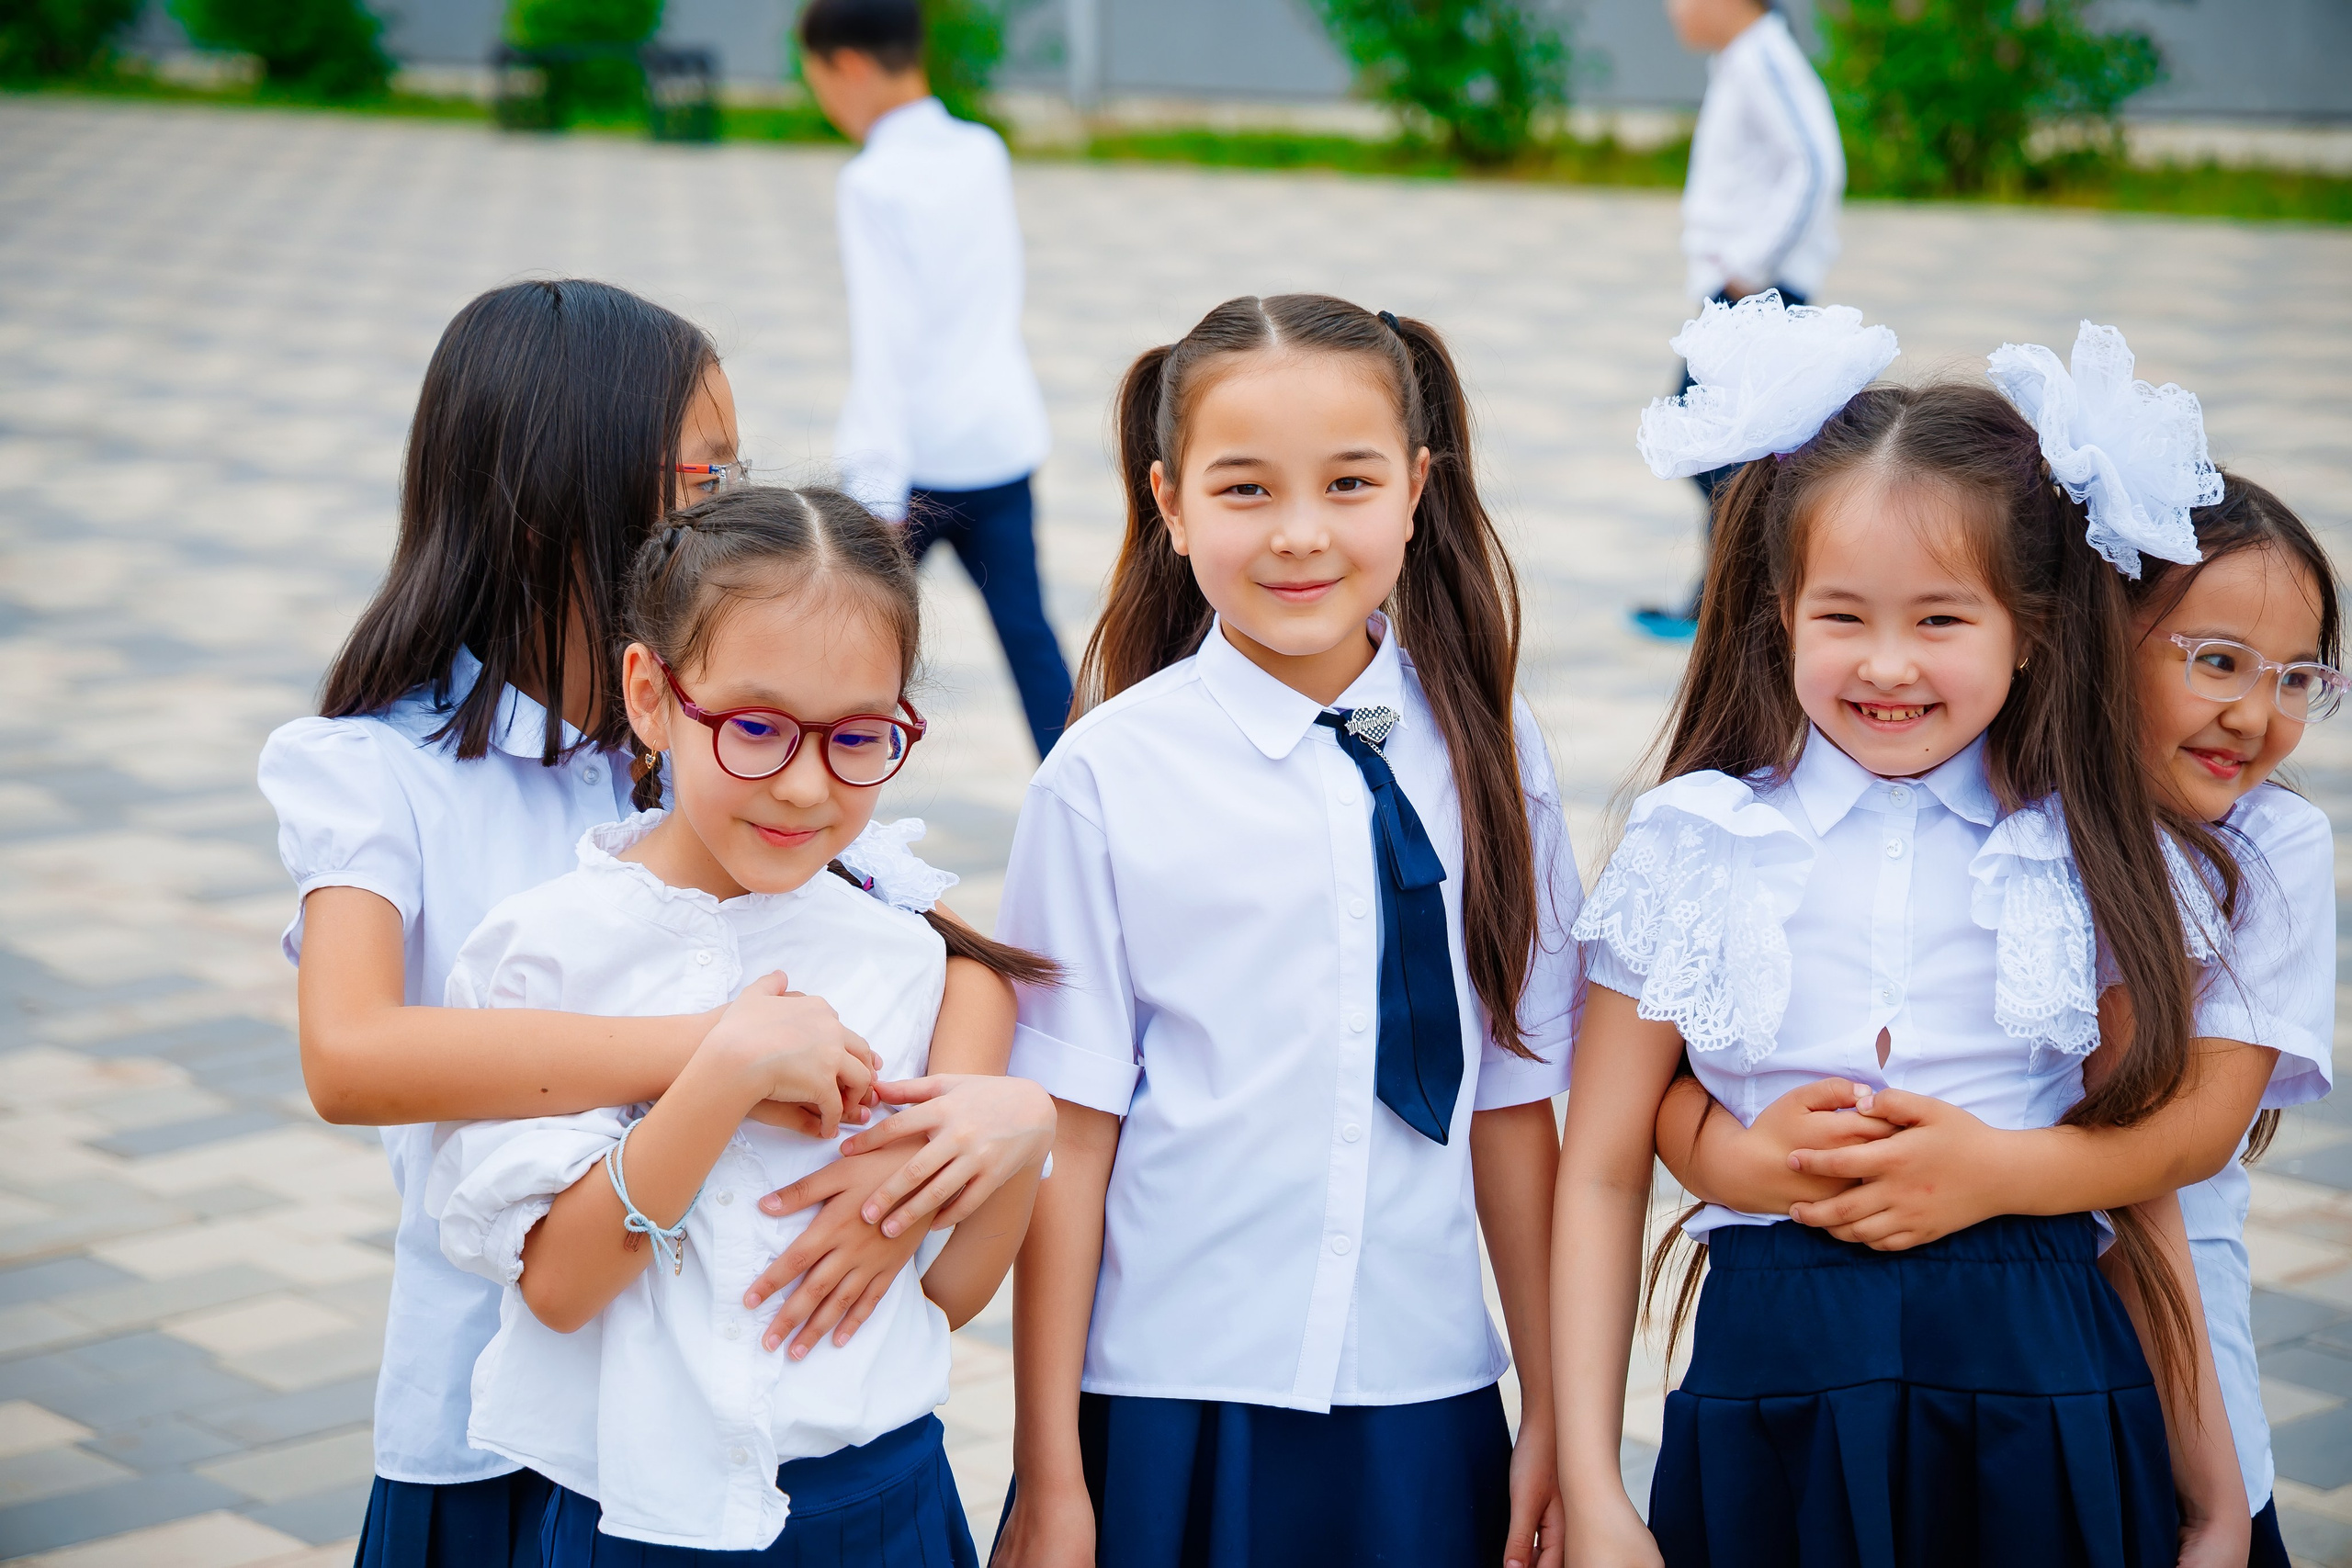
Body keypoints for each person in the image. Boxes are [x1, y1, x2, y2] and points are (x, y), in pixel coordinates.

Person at [256, 281, 1044, 1568]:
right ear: (572, 478)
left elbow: (963, 957)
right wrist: (718, 1056)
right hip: (499, 1409)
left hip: (763, 1422)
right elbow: (352, 1055)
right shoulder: (381, 766)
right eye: (705, 470)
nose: (732, 501)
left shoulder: (732, 743)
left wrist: (957, 1128)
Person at [1555, 298, 2257, 1566]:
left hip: (2050, 1393)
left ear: (2032, 628)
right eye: (1844, 616)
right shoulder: (1693, 841)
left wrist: (2212, 1503)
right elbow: (1602, 1166)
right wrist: (1593, 1484)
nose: (1888, 664)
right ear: (1778, 609)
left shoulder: (2089, 849)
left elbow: (2146, 1183)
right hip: (1775, 1384)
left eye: (1941, 618)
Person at [1657, 461, 2344, 1568]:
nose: (2253, 712)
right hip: (1906, 1355)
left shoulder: (2259, 846)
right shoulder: (1994, 826)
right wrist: (1733, 1161)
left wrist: (1984, 1175)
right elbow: (1684, 1076)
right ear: (2078, 633)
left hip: (2163, 1357)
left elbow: (2181, 1141)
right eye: (2215, 660)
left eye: (2299, 678)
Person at [988, 295, 1580, 1568]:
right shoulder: (1104, 777)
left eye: (1351, 481)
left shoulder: (1493, 747)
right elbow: (1068, 1140)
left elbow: (1513, 1102)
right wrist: (1049, 1475)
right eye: (1245, 488)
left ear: (1418, 487)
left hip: (1424, 1387)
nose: (1302, 533)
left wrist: (1558, 1416)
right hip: (1170, 1394)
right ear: (1170, 499)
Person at [430, 484, 1058, 1564]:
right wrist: (719, 1074)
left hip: (886, 1501)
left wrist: (1023, 1140)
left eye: (859, 737)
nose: (807, 787)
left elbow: (938, 1297)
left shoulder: (898, 954)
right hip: (626, 1520)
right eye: (757, 727)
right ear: (651, 694)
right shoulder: (543, 951)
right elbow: (563, 1288)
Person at [798, 0, 1072, 758]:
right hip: (998, 438)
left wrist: (877, 492)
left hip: (914, 467)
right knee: (1031, 640)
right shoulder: (982, 149)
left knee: (846, 657)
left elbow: (885, 343)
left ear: (847, 66)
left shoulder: (873, 181)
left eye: (816, 79)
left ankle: (828, 806)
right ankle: (1098, 805)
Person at [1633, 0, 1843, 641]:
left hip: (1757, 293)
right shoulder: (1742, 60)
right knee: (1722, 449)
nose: (1671, 10)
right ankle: (1723, 599)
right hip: (1741, 291)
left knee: (1718, 449)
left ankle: (1741, 601)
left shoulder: (1763, 60)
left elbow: (1816, 166)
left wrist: (1750, 270)